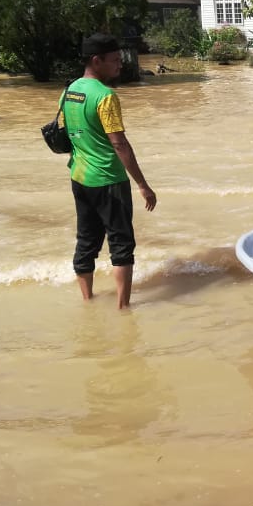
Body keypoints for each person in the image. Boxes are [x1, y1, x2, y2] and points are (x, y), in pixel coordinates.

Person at [62, 33, 157, 309]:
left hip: (79, 177)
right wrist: (142, 184)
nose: (120, 65)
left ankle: (87, 300)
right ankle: (123, 307)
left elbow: (69, 133)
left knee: (86, 240)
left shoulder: (70, 91)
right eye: (115, 60)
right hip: (109, 180)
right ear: (97, 61)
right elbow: (119, 143)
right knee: (121, 243)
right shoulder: (105, 96)